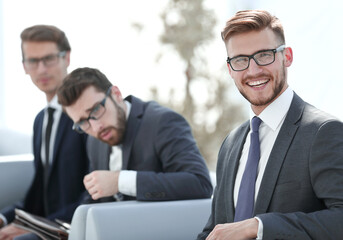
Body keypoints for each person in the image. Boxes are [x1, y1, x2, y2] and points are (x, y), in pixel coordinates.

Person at [197, 9, 343, 240]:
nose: (253, 70)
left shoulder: (323, 132)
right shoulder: (231, 143)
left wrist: (258, 227)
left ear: (287, 57)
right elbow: (215, 229)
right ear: (230, 69)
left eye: (264, 55)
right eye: (240, 60)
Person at [57, 67, 213, 203]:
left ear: (116, 94)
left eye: (96, 109)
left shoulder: (162, 122)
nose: (96, 127)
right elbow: (96, 199)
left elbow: (200, 184)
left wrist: (120, 181)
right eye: (83, 122)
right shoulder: (93, 141)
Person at [0, 25, 89, 240]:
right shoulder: (41, 120)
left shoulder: (89, 116)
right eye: (33, 61)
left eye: (48, 59)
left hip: (75, 228)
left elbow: (93, 197)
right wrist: (3, 218)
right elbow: (38, 196)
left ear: (66, 58)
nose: (41, 69)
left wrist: (39, 228)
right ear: (24, 66)